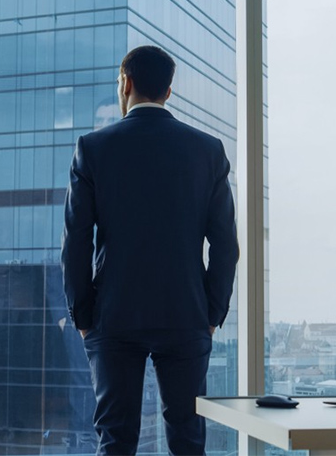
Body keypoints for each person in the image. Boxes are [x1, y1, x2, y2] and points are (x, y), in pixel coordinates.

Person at [61, 45, 239, 455]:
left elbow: (75, 242)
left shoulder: (92, 149)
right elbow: (226, 245)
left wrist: (84, 316)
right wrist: (211, 313)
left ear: (126, 82)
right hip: (185, 314)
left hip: (114, 314)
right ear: (168, 92)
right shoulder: (207, 151)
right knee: (187, 439)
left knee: (116, 439)